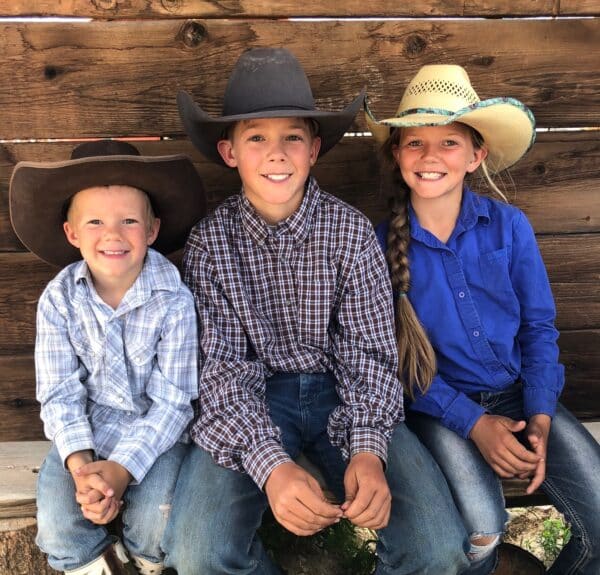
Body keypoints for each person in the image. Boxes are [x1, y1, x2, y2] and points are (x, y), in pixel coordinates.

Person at [161, 47, 471, 575]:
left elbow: (369, 354)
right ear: (229, 152)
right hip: (252, 402)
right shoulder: (211, 244)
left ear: (314, 149)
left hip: (344, 394)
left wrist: (370, 451)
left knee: (437, 549)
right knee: (197, 554)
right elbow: (220, 371)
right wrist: (272, 467)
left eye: (293, 138)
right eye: (256, 137)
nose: (276, 154)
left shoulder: (349, 233)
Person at [366, 64, 600, 575]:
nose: (430, 157)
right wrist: (473, 424)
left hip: (520, 393)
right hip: (438, 407)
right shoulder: (377, 246)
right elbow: (393, 364)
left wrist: (539, 413)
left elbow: (539, 327)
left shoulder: (509, 228)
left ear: (476, 155)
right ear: (397, 155)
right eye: (414, 144)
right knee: (483, 523)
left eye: (449, 143)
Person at [9, 140, 207, 575]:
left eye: (129, 221)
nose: (113, 235)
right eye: (95, 221)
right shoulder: (59, 300)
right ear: (72, 233)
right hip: (85, 433)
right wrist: (82, 469)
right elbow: (59, 392)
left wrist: (119, 470)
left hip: (158, 436)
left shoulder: (173, 299)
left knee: (157, 517)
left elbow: (174, 402)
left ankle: (144, 562)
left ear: (152, 230)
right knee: (60, 522)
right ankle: (101, 565)